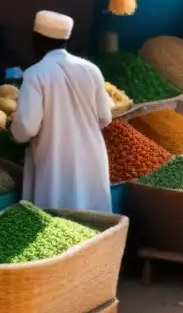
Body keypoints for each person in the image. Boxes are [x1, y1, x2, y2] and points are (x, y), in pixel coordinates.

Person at [11, 11, 113, 212]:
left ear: (37, 40)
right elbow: (105, 117)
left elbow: (26, 128)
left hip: (55, 160)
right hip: (91, 156)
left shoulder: (35, 74)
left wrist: (12, 128)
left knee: (58, 223)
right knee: (93, 219)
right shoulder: (91, 69)